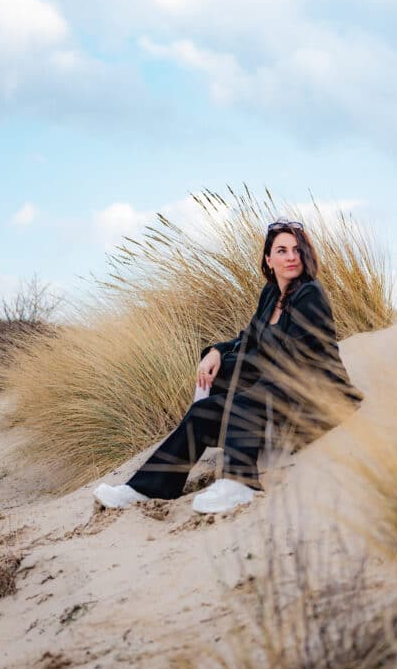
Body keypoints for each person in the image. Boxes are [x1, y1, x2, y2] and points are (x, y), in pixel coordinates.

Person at [92, 219, 363, 515]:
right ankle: (144, 489)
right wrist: (216, 352)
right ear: (268, 259)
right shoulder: (271, 294)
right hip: (274, 401)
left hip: (317, 400)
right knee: (202, 413)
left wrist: (239, 386)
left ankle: (239, 484)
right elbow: (247, 340)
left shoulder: (309, 294)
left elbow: (293, 361)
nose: (291, 257)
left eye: (298, 250)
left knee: (245, 401)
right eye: (282, 250)